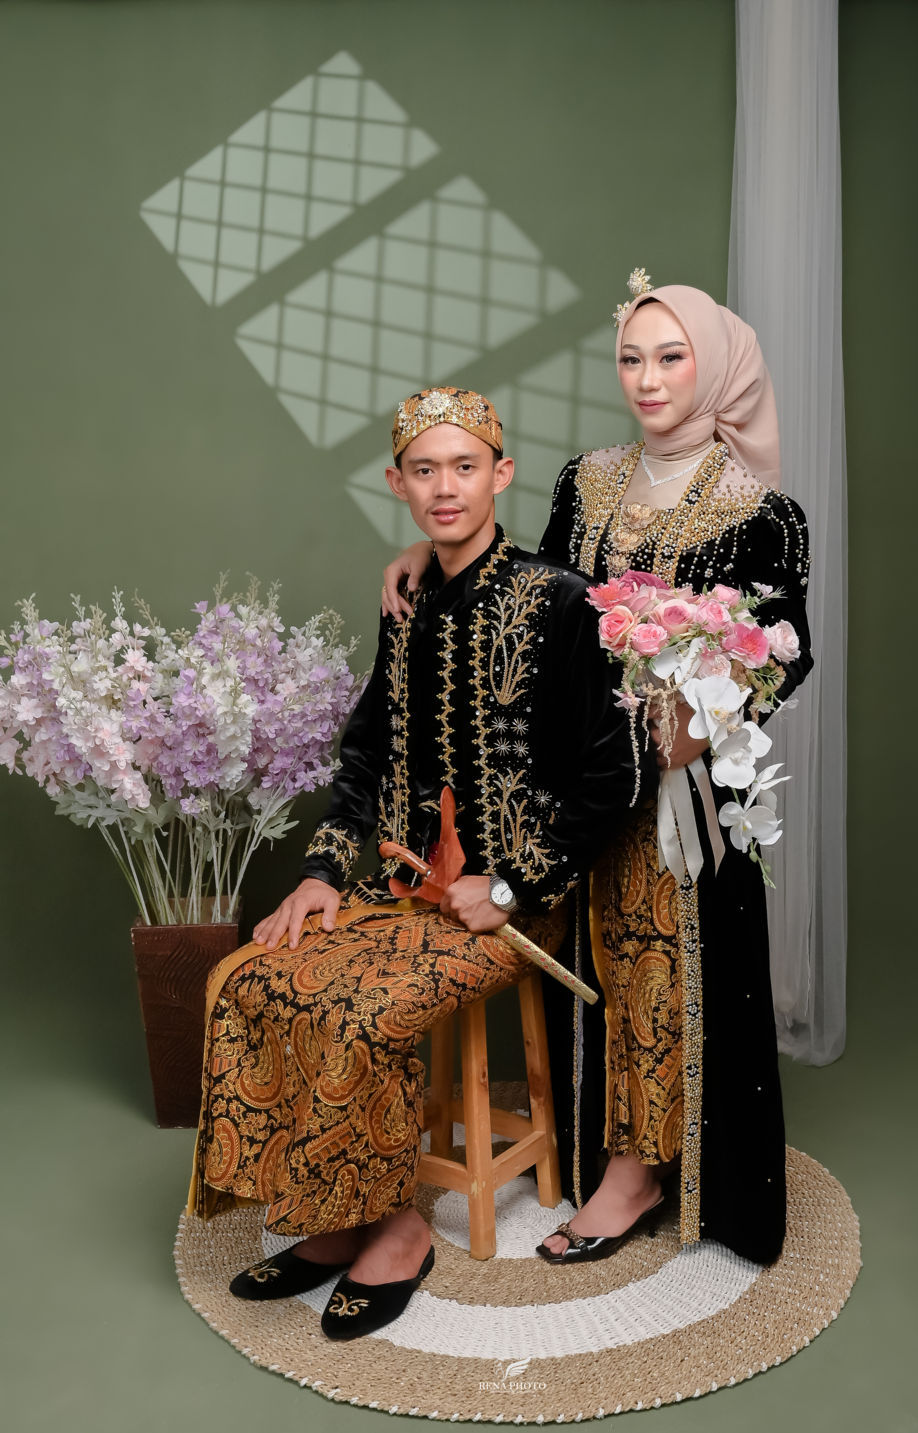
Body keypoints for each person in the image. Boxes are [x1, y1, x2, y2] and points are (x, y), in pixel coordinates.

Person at [188, 386, 643, 1340]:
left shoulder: (560, 600)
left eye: (464, 467)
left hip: (512, 903)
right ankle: (334, 1215)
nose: (446, 487)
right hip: (398, 889)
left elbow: (614, 774)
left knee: (363, 1006)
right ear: (398, 484)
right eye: (424, 470)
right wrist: (319, 873)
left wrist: (511, 884)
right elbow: (365, 756)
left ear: (500, 475)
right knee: (251, 976)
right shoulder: (406, 602)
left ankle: (399, 1228)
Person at [382, 276, 814, 1268]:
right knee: (596, 965)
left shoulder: (763, 511)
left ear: (715, 366)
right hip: (585, 777)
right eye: (630, 358)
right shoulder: (588, 480)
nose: (647, 379)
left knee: (662, 964)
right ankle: (609, 1146)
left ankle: (640, 1170)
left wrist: (698, 726)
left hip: (683, 789)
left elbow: (784, 649)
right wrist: (431, 545)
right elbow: (538, 598)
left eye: (671, 357)